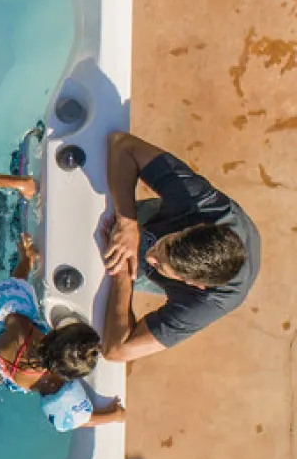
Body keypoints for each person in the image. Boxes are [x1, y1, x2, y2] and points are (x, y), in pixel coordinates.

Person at [99, 131, 260, 361]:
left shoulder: (203, 303)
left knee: (123, 267)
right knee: (124, 223)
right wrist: (127, 223)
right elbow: (121, 144)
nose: (150, 256)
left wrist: (123, 276)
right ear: (193, 227)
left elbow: (116, 351)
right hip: (169, 219)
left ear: (194, 284)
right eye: (165, 244)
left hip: (200, 274)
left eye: (160, 265)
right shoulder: (199, 203)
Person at [0, 233, 124, 432]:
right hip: (11, 378)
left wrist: (26, 260)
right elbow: (82, 420)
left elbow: (13, 293)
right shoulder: (54, 393)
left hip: (1, 341)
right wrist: (116, 415)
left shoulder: (25, 335)